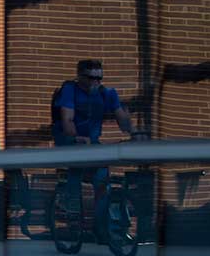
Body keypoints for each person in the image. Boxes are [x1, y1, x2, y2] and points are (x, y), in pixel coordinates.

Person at [51, 59, 142, 232]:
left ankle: (101, 222)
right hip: (70, 139)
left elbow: (122, 120)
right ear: (80, 77)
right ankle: (72, 210)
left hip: (92, 142)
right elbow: (67, 119)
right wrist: (76, 136)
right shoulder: (70, 90)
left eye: (99, 78)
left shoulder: (106, 93)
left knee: (102, 175)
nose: (96, 82)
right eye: (91, 78)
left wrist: (134, 131)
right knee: (76, 168)